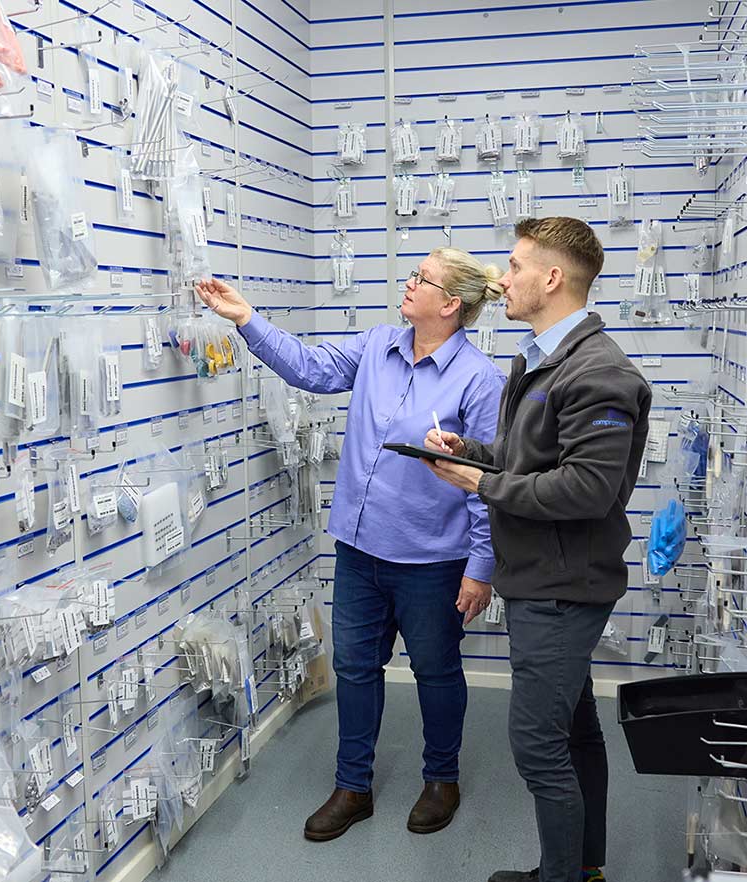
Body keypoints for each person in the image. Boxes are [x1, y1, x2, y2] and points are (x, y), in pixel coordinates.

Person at [194, 248, 506, 842]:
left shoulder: (479, 379)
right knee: (355, 668)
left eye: (422, 279)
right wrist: (245, 318)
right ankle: (352, 786)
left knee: (437, 671)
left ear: (450, 304)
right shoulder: (376, 346)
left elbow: (487, 483)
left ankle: (442, 780)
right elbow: (309, 368)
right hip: (359, 550)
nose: (408, 283)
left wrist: (480, 567)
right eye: (412, 272)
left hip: (432, 560)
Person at [422, 217, 652, 882]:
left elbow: (585, 489)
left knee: (536, 747)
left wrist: (480, 480)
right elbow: (533, 462)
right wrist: (471, 453)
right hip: (542, 578)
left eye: (516, 265)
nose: (501, 278)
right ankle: (580, 870)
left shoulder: (600, 373)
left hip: (562, 588)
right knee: (575, 730)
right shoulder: (541, 360)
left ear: (552, 278)